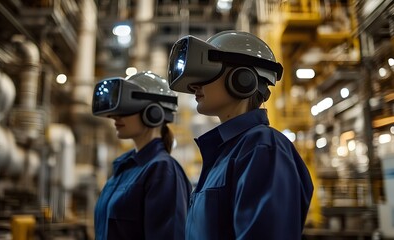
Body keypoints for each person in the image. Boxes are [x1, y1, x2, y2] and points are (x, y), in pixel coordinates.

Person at [167, 30, 314, 239]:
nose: (193, 85)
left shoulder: (263, 148)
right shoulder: (225, 154)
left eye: (206, 73)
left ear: (242, 79)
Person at [91, 71, 192, 240]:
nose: (115, 116)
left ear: (153, 112)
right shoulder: (124, 168)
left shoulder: (162, 170)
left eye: (126, 108)